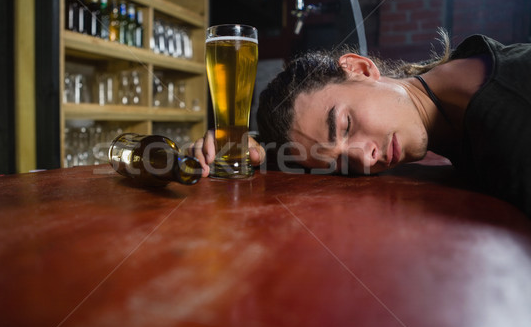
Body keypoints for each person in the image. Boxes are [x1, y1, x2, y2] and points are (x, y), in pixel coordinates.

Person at [190, 30, 531, 219]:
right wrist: (243, 144)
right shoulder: (458, 85)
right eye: (341, 164)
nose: (365, 160)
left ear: (361, 69)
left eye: (346, 126)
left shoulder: (509, 122)